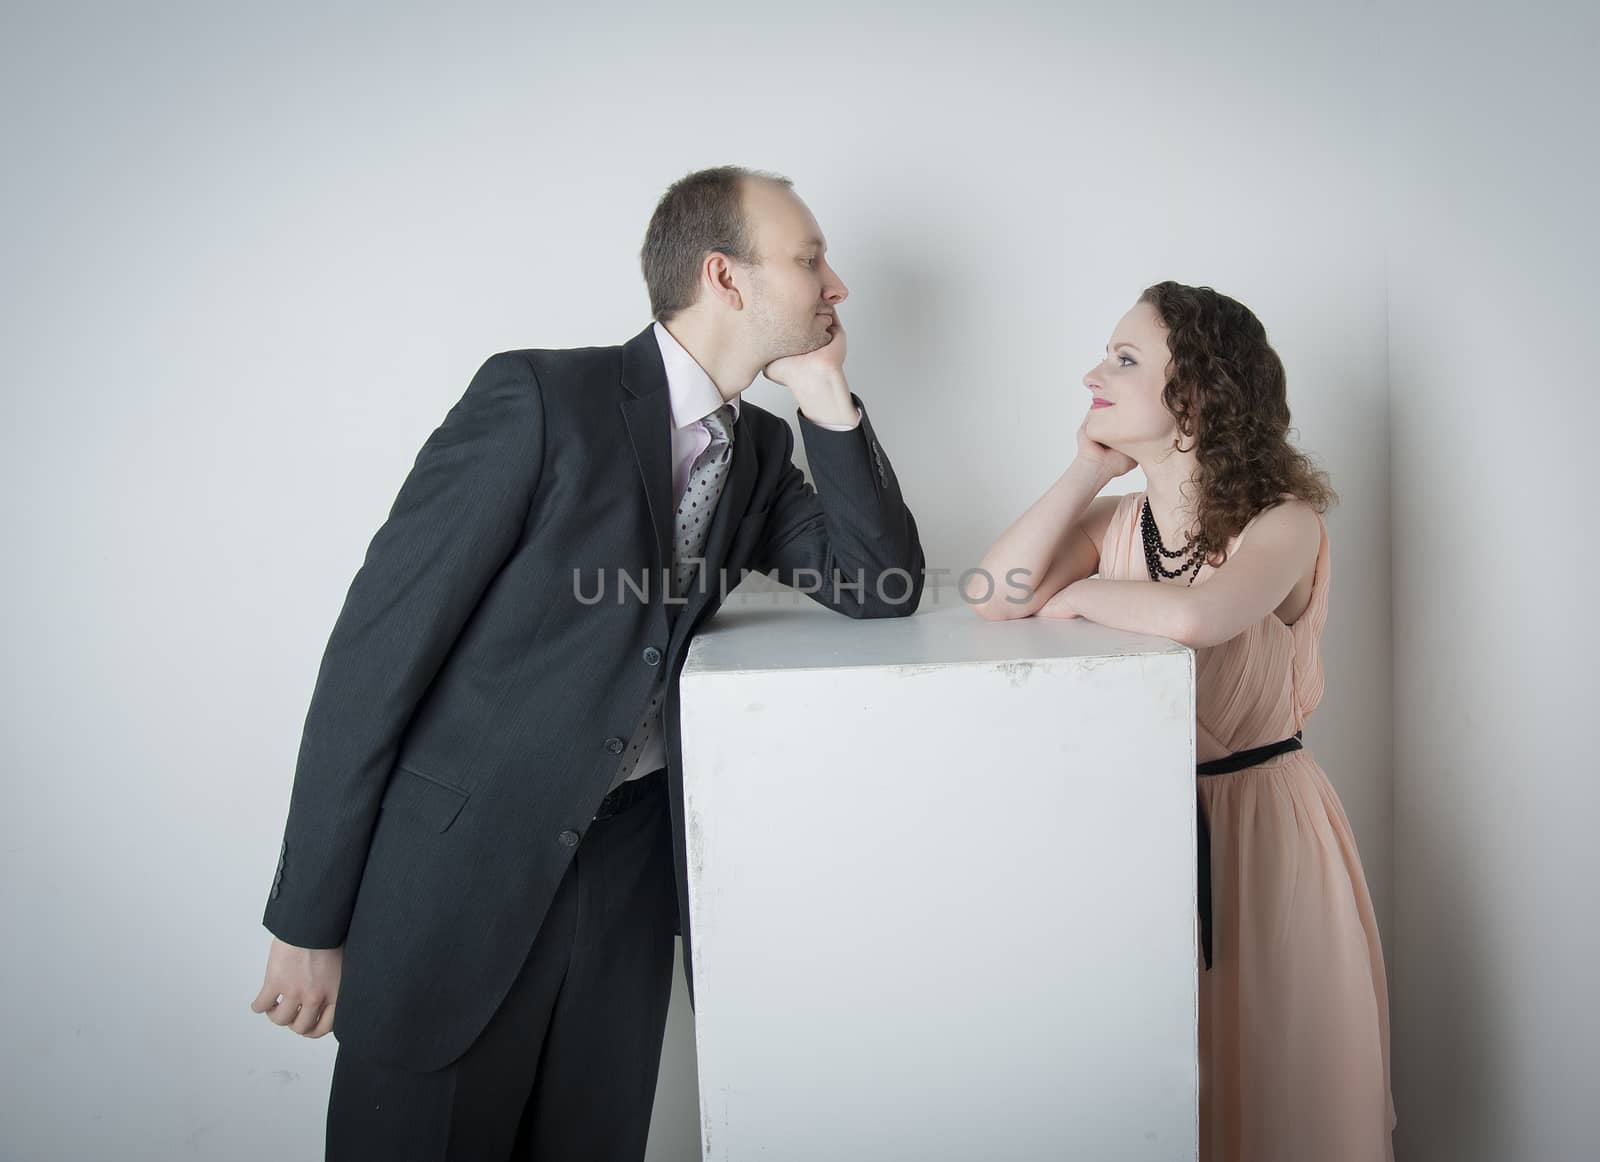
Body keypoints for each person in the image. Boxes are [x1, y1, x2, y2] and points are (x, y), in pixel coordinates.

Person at [250, 165, 925, 1161]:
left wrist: (826, 393)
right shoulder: (536, 400)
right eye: (810, 258)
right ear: (723, 276)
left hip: (630, 878)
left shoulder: (759, 455)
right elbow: (375, 655)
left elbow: (883, 584)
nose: (837, 285)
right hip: (452, 884)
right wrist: (309, 917)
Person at [973, 282, 1394, 1161]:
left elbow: (1206, 616)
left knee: (1280, 1086)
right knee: (1164, 1095)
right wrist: (1088, 468)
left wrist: (1082, 593)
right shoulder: (1118, 519)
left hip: (1265, 834)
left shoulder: (1284, 523)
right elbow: (993, 594)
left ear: (1196, 395)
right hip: (1142, 837)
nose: (1095, 371)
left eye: (1125, 359)